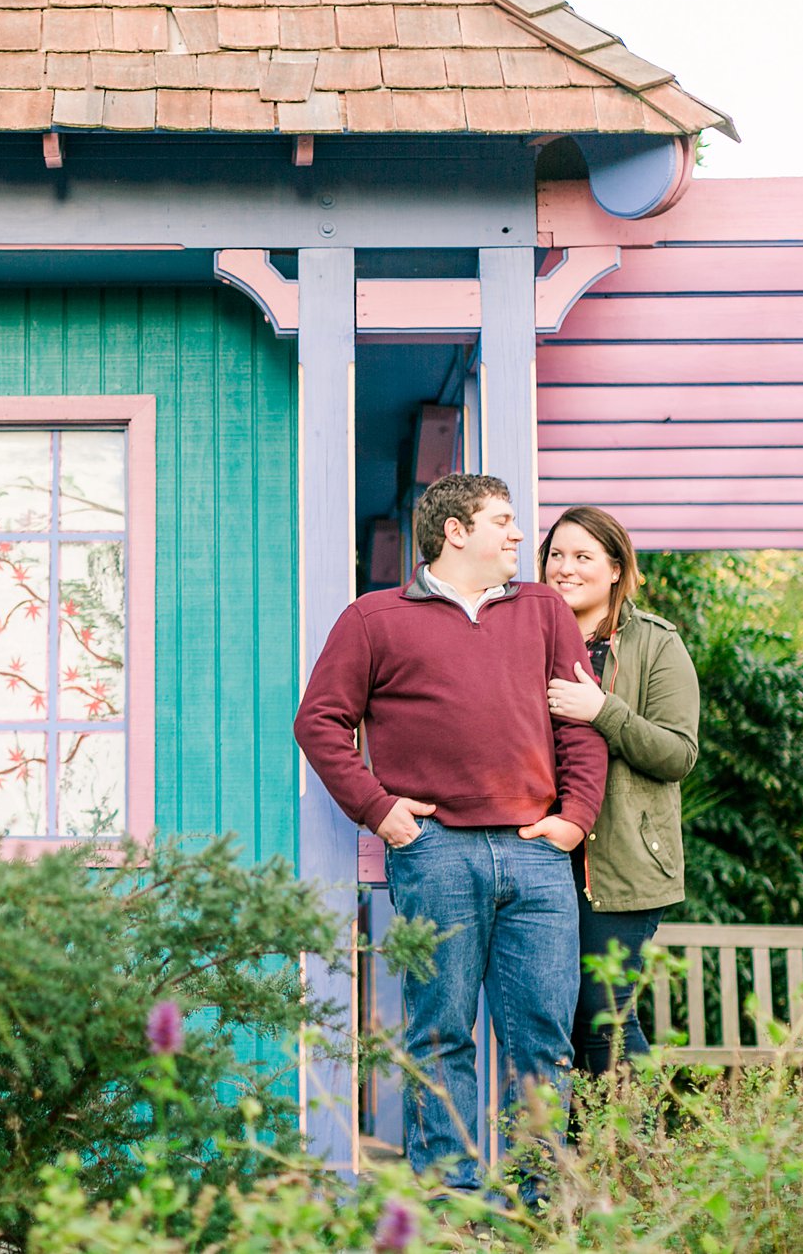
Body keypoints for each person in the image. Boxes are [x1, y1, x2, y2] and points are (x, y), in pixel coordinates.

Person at [295, 473, 608, 1194]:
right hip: (436, 856)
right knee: (439, 1036)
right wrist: (381, 811)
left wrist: (574, 820)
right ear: (455, 531)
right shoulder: (374, 618)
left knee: (542, 1041)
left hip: (536, 855)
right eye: (503, 520)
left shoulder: (543, 611)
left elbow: (579, 723)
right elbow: (320, 721)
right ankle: (450, 1203)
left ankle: (532, 1204)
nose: (519, 536)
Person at [539, 506, 700, 1074]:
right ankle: (585, 1154)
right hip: (538, 853)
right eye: (556, 555)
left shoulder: (656, 643)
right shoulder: (523, 634)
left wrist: (603, 711)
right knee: (554, 1017)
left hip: (626, 865)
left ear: (615, 568)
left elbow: (678, 753)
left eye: (583, 557)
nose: (565, 568)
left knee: (601, 1015)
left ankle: (635, 1155)